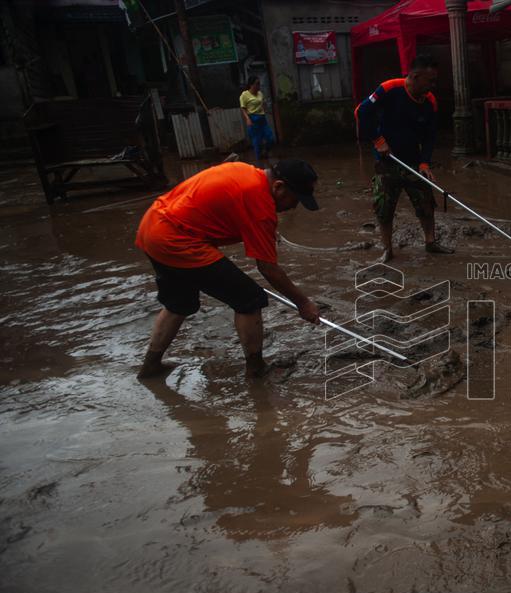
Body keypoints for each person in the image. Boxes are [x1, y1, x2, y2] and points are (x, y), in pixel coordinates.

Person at [134, 159, 322, 380]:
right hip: (178, 240)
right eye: (295, 198)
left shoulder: (245, 172)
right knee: (249, 299)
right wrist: (303, 303)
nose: (293, 206)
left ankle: (151, 367)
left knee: (179, 304)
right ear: (278, 186)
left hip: (153, 228)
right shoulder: (259, 204)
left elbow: (224, 210)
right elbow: (268, 269)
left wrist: (264, 232)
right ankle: (256, 370)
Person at [355, 54, 452, 263]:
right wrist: (378, 140)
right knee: (384, 206)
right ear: (416, 76)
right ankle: (388, 249)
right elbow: (362, 112)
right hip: (387, 160)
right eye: (430, 81)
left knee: (426, 203)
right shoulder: (390, 89)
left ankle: (430, 242)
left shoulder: (429, 102)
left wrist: (425, 161)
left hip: (413, 160)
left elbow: (430, 136)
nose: (433, 86)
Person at [240, 76, 274, 163]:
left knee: (270, 138)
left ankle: (265, 151)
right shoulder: (245, 95)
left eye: (259, 84)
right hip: (253, 119)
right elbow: (243, 108)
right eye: (257, 84)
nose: (259, 86)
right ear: (251, 85)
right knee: (257, 142)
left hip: (262, 119)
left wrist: (266, 110)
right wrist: (247, 119)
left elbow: (262, 104)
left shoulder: (260, 93)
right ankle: (259, 162)